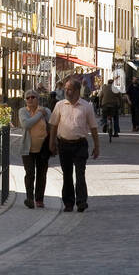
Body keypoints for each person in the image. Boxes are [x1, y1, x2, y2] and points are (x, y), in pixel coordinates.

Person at [48, 76, 101, 212]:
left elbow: (93, 127)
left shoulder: (86, 106)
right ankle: (68, 203)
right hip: (64, 144)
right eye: (66, 89)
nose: (67, 92)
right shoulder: (59, 105)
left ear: (78, 91)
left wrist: (97, 146)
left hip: (80, 144)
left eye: (70, 89)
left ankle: (81, 201)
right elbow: (53, 126)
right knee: (66, 174)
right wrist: (52, 143)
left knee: (80, 174)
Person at [17, 89, 53, 209]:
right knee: (30, 173)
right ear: (25, 100)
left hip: (43, 148)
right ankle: (29, 198)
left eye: (33, 97)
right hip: (28, 148)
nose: (30, 99)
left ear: (38, 99)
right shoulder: (22, 111)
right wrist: (39, 115)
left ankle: (39, 199)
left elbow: (53, 125)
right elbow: (26, 124)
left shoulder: (46, 111)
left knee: (42, 174)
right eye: (28, 98)